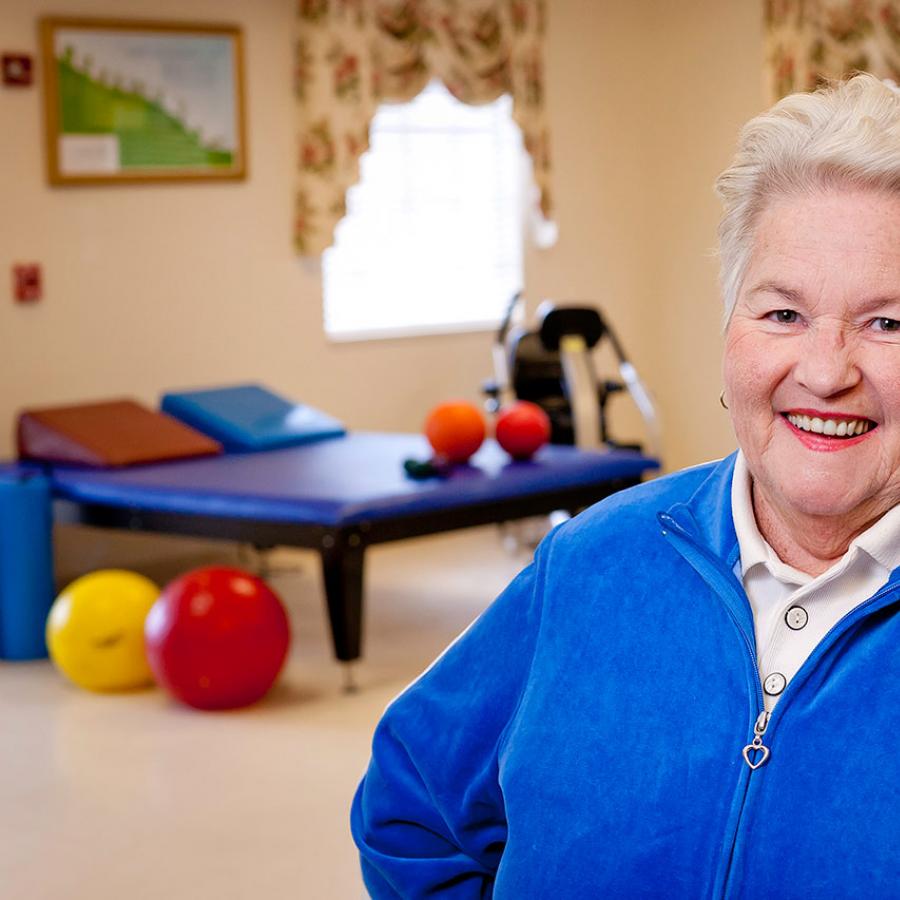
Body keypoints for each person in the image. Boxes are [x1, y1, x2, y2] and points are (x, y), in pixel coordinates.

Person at [350, 73, 900, 898]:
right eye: (781, 314)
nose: (825, 371)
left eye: (888, 322)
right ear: (729, 328)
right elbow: (412, 809)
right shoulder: (587, 560)